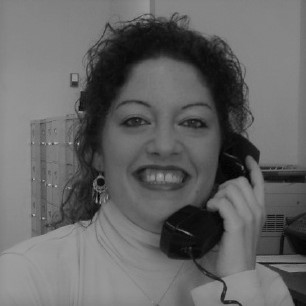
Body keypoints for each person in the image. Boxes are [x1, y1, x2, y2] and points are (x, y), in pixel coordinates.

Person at [0, 14, 294, 306]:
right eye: (135, 120)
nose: (165, 146)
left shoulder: (264, 292)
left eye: (193, 122)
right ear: (97, 150)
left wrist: (237, 288)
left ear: (225, 154)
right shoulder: (23, 281)